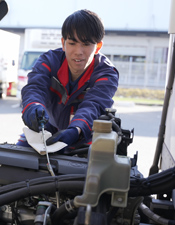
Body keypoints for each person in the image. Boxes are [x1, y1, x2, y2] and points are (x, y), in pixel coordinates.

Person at [17, 9, 118, 151]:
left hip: (84, 135)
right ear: (63, 43)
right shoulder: (49, 61)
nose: (78, 51)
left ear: (98, 47)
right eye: (72, 43)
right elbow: (35, 87)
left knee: (91, 169)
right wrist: (33, 107)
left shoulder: (106, 73)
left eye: (86, 44)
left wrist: (76, 129)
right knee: (14, 158)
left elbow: (94, 104)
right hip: (46, 131)